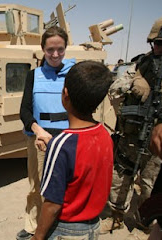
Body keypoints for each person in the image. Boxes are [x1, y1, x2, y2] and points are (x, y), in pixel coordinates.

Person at [101, 13, 162, 240]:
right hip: (131, 137)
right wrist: (134, 80)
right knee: (118, 182)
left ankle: (142, 221)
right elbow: (115, 84)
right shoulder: (141, 63)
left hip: (159, 146)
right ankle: (115, 217)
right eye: (158, 43)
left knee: (150, 188)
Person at [31, 60, 114, 240]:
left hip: (66, 231)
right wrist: (55, 146)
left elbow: (52, 204)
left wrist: (37, 237)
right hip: (93, 226)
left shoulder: (60, 146)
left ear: (65, 94)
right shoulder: (104, 134)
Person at [17, 26, 75, 240]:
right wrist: (37, 129)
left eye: (60, 49)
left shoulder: (73, 74)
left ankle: (60, 225)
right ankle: (33, 225)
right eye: (50, 49)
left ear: (65, 49)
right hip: (38, 139)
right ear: (43, 49)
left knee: (65, 186)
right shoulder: (33, 75)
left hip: (67, 139)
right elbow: (24, 109)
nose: (55, 54)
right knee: (36, 185)